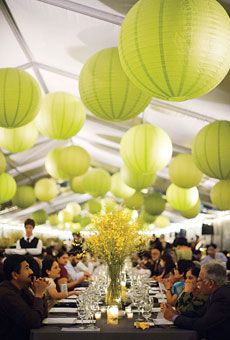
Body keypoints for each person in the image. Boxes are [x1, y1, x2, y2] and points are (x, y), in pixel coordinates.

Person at [163, 261, 230, 340]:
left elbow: (202, 324)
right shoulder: (217, 292)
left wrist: (174, 318)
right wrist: (177, 313)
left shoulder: (222, 297)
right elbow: (199, 313)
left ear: (211, 283)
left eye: (200, 280)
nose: (198, 283)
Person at [0, 254, 48, 340]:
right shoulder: (6, 294)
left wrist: (39, 293)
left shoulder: (22, 289)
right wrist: (38, 294)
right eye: (27, 268)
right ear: (15, 275)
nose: (31, 272)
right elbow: (34, 322)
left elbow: (42, 314)